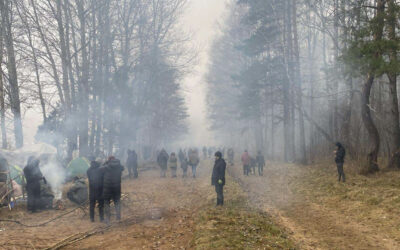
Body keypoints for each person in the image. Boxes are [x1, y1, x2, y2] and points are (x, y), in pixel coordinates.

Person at [103, 156, 124, 223]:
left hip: (107, 188)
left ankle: (108, 218)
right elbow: (122, 167)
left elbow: (99, 170)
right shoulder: (119, 167)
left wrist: (105, 163)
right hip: (117, 187)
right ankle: (118, 217)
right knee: (117, 202)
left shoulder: (106, 167)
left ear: (109, 160)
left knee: (106, 202)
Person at [87, 157, 104, 222]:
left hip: (92, 190)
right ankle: (101, 218)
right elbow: (103, 179)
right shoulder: (100, 170)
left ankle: (92, 218)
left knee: (92, 205)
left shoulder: (88, 170)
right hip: (99, 190)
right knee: (101, 205)